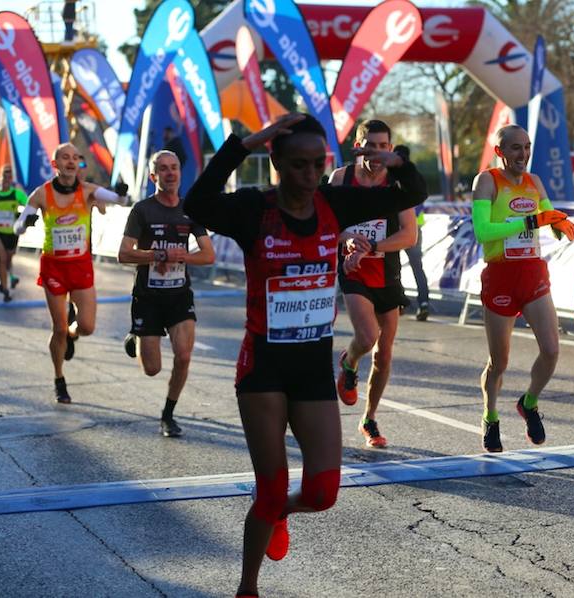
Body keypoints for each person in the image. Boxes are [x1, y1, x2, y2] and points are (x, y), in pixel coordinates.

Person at [182, 113, 426, 598]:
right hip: (264, 368)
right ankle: (247, 586)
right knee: (270, 490)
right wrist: (243, 143)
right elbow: (197, 202)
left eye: (318, 164)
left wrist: (395, 160)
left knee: (321, 494)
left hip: (314, 369)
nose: (309, 174)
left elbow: (410, 193)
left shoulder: (334, 202)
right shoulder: (255, 209)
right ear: (275, 161)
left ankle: (278, 513)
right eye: (298, 164)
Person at [471, 124, 574, 453]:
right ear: (500, 151)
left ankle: (528, 403)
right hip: (501, 274)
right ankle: (490, 416)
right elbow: (482, 232)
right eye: (516, 148)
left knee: (551, 349)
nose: (523, 154)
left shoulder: (535, 182)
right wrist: (531, 221)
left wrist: (561, 225)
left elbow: (547, 216)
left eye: (527, 147)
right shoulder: (486, 180)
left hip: (532, 273)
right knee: (499, 362)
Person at [13, 143, 129, 404]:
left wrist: (121, 192)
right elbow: (18, 227)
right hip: (54, 267)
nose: (71, 161)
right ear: (55, 164)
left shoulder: (88, 191)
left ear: (78, 164)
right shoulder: (40, 194)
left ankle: (73, 334)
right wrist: (26, 223)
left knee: (86, 327)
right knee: (58, 329)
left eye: (75, 158)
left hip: (80, 266)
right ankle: (59, 378)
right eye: (65, 157)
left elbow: (118, 201)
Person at [330, 121, 421, 448]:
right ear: (358, 145)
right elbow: (325, 226)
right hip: (353, 271)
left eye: (383, 146)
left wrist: (373, 246)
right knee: (367, 337)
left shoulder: (397, 184)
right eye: (370, 145)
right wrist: (348, 238)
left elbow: (409, 234)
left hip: (387, 272)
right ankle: (350, 361)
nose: (377, 152)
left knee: (384, 354)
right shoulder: (341, 179)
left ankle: (369, 419)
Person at [118, 150, 215, 437]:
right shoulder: (143, 210)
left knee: (183, 356)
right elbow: (124, 254)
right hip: (147, 297)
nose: (170, 173)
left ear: (180, 173)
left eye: (174, 167)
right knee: (152, 369)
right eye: (163, 169)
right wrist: (158, 254)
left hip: (178, 296)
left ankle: (168, 415)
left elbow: (208, 255)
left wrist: (180, 257)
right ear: (153, 176)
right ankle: (136, 336)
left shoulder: (190, 210)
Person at [394, 144, 431, 321]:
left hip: (399, 230)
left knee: (394, 265)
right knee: (417, 267)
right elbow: (421, 201)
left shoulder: (393, 176)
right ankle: (423, 302)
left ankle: (400, 301)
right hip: (415, 229)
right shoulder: (415, 176)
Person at [0, 166, 28, 302]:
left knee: (8, 260)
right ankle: (5, 287)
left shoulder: (16, 193)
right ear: (0, 177)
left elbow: (29, 205)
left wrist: (24, 222)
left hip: (12, 233)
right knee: (2, 259)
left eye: (9, 177)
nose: (6, 180)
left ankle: (9, 278)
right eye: (4, 176)